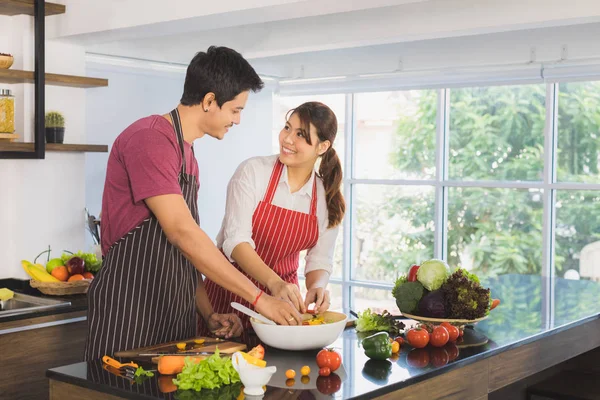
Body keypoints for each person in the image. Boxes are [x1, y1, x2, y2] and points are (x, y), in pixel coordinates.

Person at [84, 46, 302, 361]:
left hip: (173, 315)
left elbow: (184, 252)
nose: (238, 120)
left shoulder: (187, 155)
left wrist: (208, 312)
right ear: (209, 101)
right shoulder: (150, 140)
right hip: (129, 311)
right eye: (235, 110)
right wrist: (260, 299)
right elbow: (182, 233)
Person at [203, 101, 345, 334]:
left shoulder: (327, 199)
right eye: (287, 128)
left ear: (322, 146)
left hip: (283, 308)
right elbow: (235, 242)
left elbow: (319, 260)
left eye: (300, 134)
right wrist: (274, 283)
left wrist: (317, 287)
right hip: (229, 296)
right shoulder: (253, 172)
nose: (287, 139)